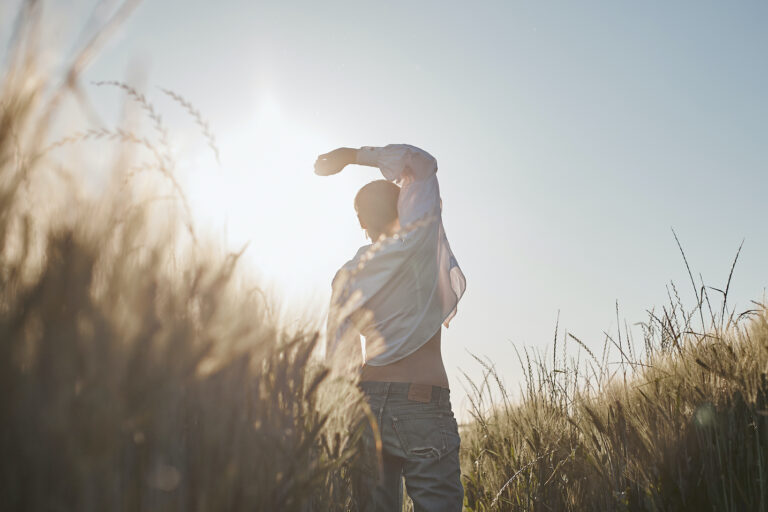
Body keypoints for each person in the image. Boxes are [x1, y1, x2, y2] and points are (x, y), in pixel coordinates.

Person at [315, 144, 466, 512]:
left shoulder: (346, 277)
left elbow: (340, 361)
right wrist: (351, 155)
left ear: (361, 221)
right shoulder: (419, 242)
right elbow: (422, 164)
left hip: (366, 406)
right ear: (404, 206)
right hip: (422, 404)